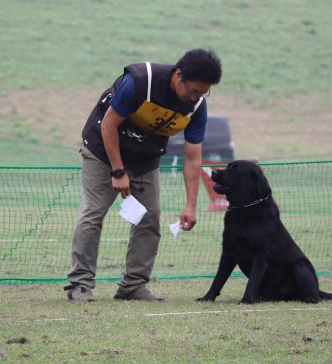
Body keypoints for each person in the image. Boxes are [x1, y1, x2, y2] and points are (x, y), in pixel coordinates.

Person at [65, 49, 222, 302]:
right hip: (103, 149)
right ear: (178, 75)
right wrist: (118, 171)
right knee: (93, 213)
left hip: (143, 157)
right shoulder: (140, 81)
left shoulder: (196, 107)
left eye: (201, 93)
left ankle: (133, 286)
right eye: (192, 91)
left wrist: (190, 206)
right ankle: (80, 284)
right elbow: (108, 125)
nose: (194, 98)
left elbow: (193, 157)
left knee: (149, 217)